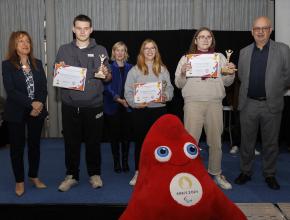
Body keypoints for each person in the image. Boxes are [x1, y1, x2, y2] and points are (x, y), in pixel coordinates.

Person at [55, 14, 112, 192]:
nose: (82, 31)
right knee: (71, 142)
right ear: (73, 29)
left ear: (91, 29)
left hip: (94, 105)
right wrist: (61, 71)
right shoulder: (63, 50)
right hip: (70, 105)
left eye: (86, 28)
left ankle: (94, 174)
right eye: (79, 28)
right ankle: (71, 175)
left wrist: (105, 73)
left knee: (93, 143)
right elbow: (56, 77)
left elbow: (108, 77)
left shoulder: (101, 49)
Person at [175, 27, 236, 190]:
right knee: (190, 142)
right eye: (201, 37)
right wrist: (182, 73)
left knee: (215, 142)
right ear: (195, 40)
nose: (205, 39)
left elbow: (228, 82)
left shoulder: (220, 57)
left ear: (212, 40)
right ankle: (189, 174)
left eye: (208, 37)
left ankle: (216, 173)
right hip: (192, 104)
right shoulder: (186, 59)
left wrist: (230, 73)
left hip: (214, 104)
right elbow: (178, 84)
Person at [234, 16, 290, 190]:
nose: (260, 31)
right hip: (248, 104)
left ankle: (270, 174)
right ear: (252, 31)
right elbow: (242, 77)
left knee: (271, 143)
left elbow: (288, 77)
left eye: (264, 28)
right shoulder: (244, 52)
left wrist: (274, 90)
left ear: (270, 30)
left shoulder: (283, 50)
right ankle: (245, 171)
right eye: (257, 28)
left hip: (271, 104)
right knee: (247, 142)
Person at [2, 31, 48, 196]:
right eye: (21, 41)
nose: (25, 44)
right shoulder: (7, 65)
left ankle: (33, 176)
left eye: (27, 41)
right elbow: (11, 91)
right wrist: (31, 104)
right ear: (14, 45)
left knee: (35, 146)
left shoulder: (37, 63)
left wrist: (39, 104)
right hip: (16, 113)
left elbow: (43, 88)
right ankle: (19, 181)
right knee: (17, 148)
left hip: (37, 112)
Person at [125, 39, 174, 185]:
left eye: (153, 48)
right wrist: (135, 104)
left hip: (159, 111)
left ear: (156, 51)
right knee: (140, 143)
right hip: (141, 112)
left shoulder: (163, 69)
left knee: (159, 143)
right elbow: (127, 92)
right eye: (146, 48)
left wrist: (166, 96)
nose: (150, 51)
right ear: (142, 51)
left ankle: (159, 171)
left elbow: (170, 89)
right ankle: (139, 172)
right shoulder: (134, 70)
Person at [103, 42, 133, 173]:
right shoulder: (107, 67)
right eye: (117, 50)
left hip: (128, 106)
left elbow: (134, 85)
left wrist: (129, 100)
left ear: (125, 53)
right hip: (112, 105)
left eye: (123, 50)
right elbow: (105, 87)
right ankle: (116, 162)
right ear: (113, 52)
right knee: (114, 137)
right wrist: (118, 99)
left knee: (126, 136)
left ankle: (125, 162)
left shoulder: (132, 68)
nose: (120, 53)